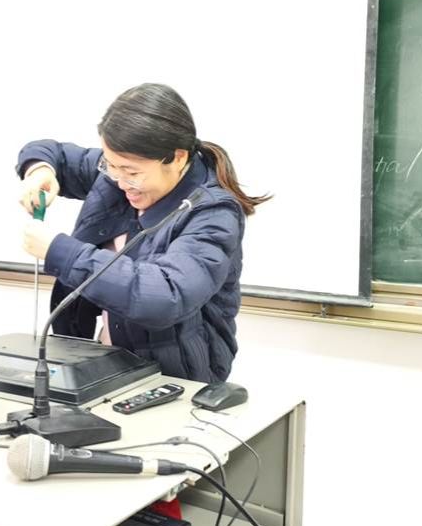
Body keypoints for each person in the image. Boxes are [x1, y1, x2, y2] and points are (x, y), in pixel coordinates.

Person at [16, 83, 270, 383]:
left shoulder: (213, 213)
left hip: (177, 379)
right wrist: (40, 171)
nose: (121, 181)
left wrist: (60, 252)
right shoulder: (118, 171)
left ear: (177, 158)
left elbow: (165, 296)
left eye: (132, 173)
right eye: (111, 166)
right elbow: (50, 152)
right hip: (110, 364)